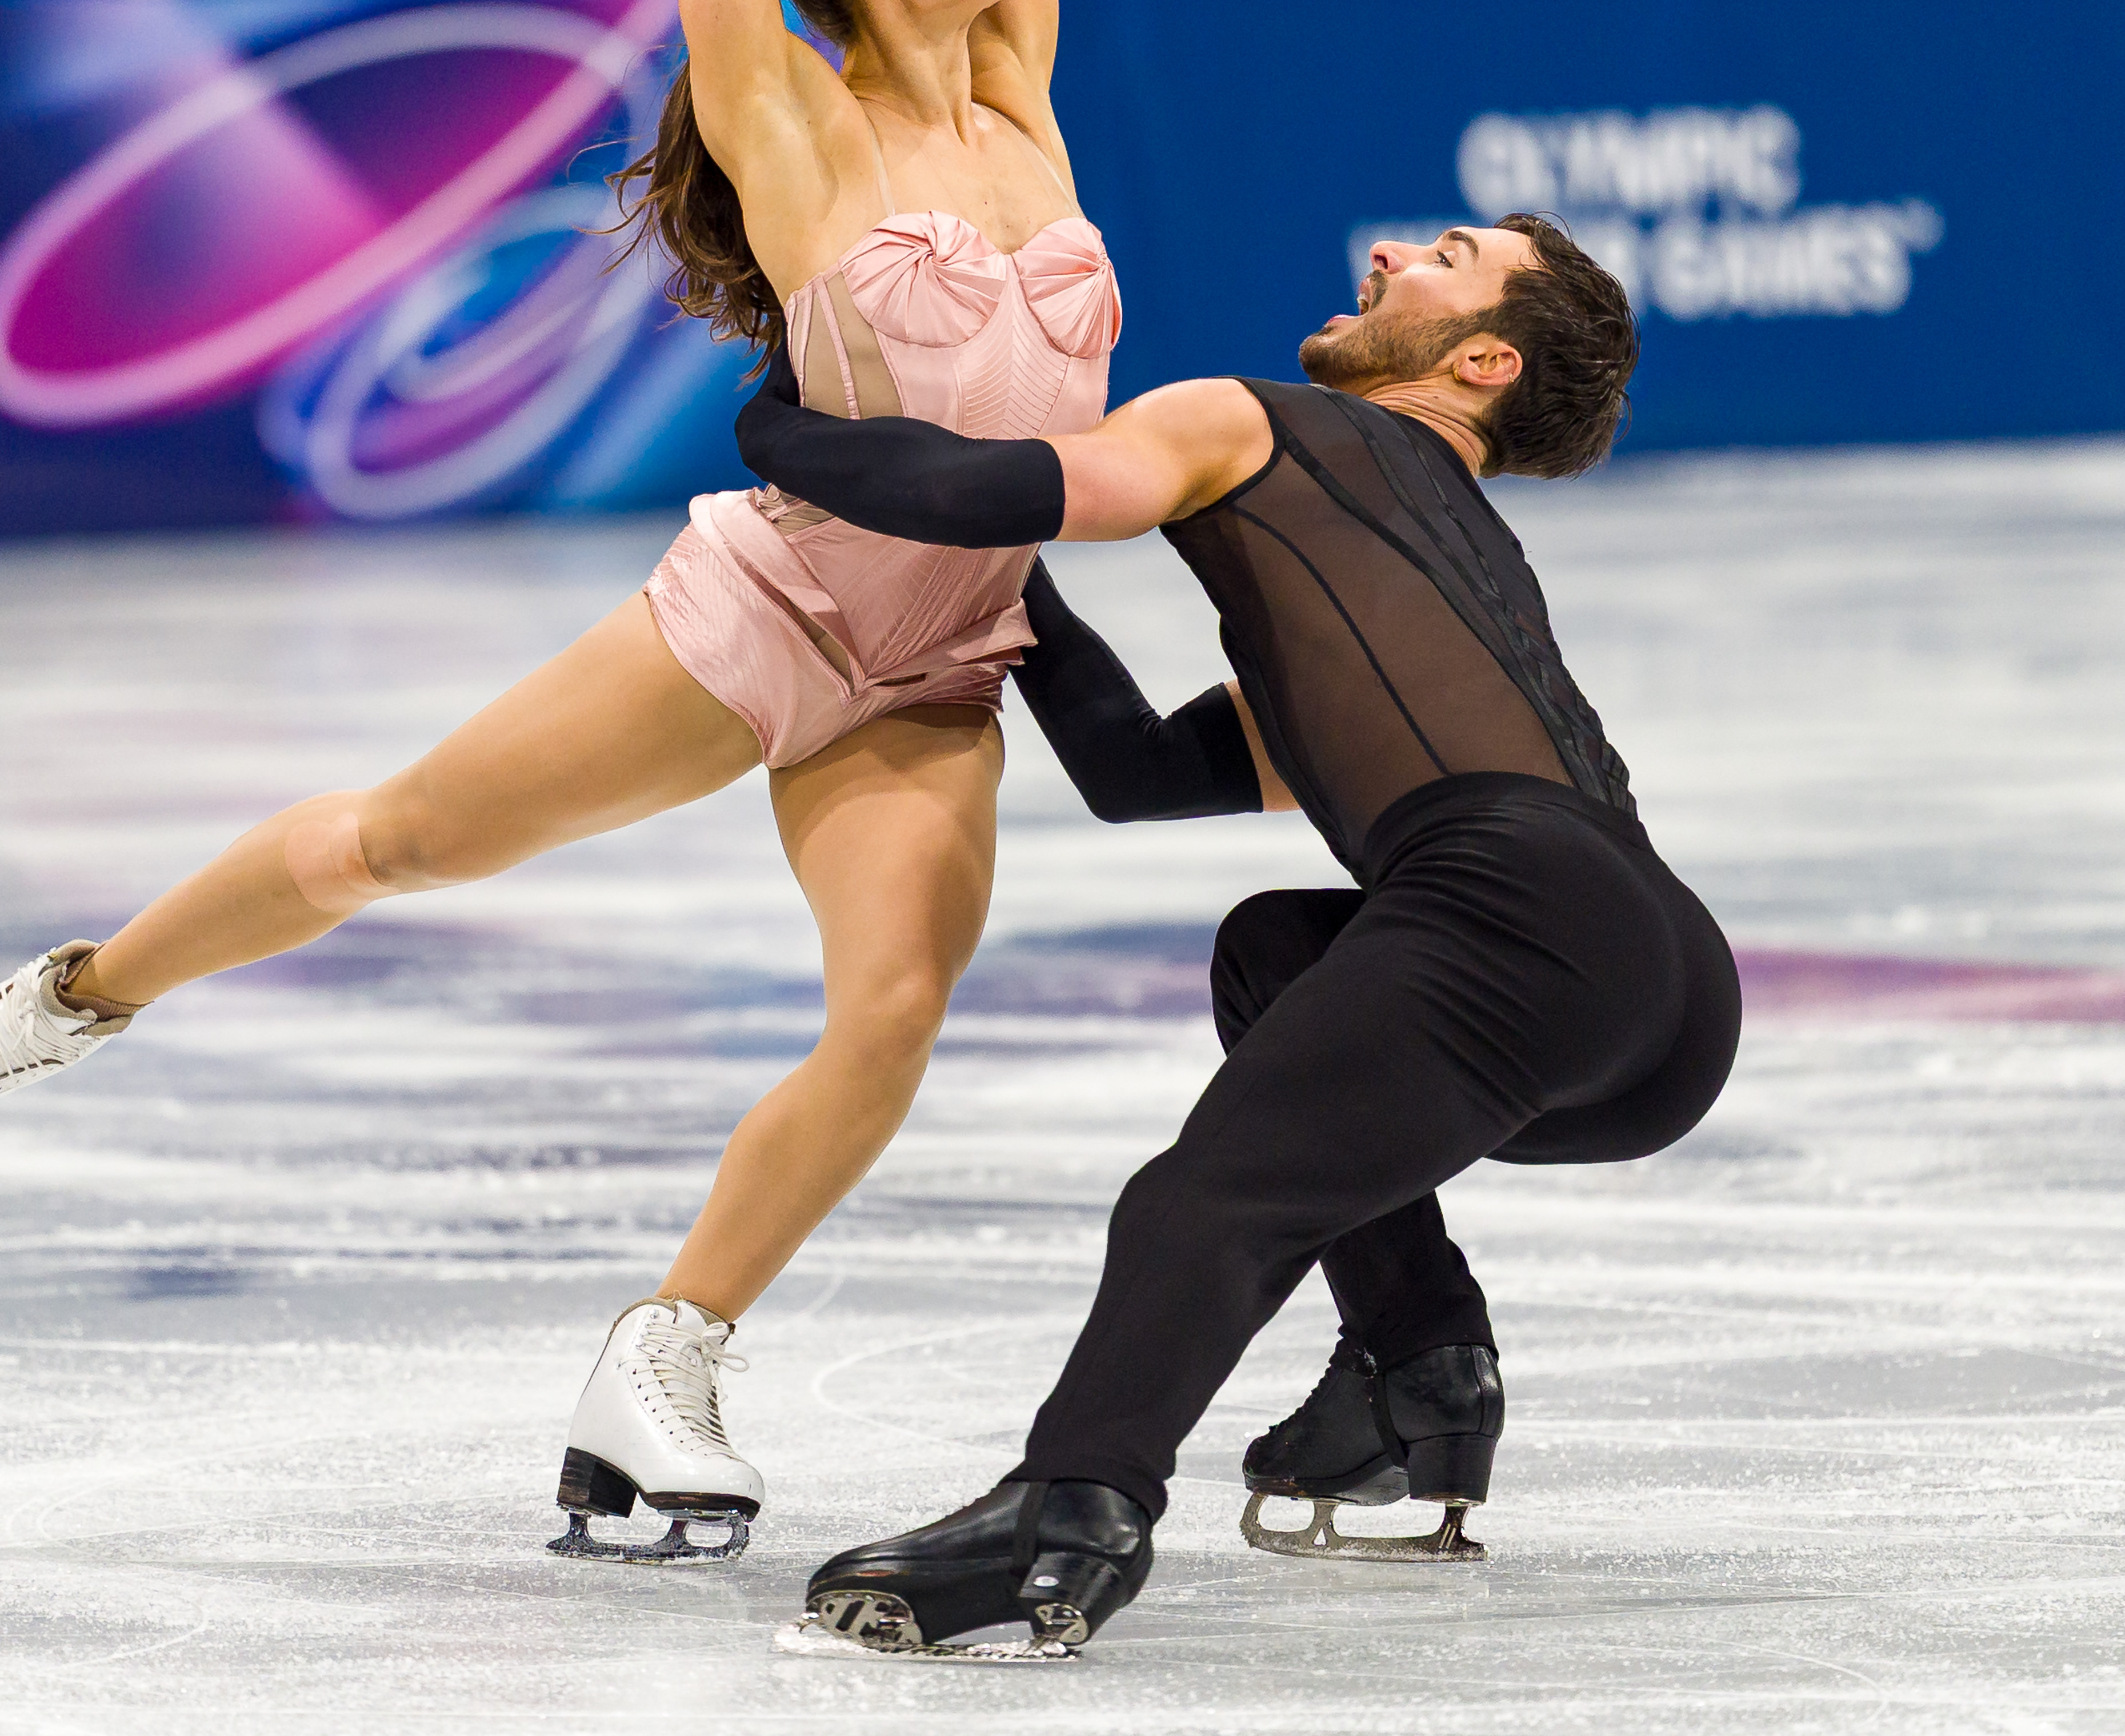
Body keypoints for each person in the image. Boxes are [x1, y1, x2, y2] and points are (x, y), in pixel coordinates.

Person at [0, 0, 1159, 1569]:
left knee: (887, 1013)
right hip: (776, 615)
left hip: (939, 664)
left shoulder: (1019, 93)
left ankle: (661, 1358)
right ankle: (84, 988)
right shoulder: (785, 112)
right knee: (397, 842)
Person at [733, 218, 1738, 1659]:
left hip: (1517, 915)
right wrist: (1017, 586)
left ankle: (1070, 1503)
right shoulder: (1441, 568)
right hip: (1662, 997)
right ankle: (1420, 1370)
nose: (1391, 245)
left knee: (1202, 1201)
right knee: (1277, 956)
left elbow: (977, 485)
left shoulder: (1259, 426)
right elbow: (1137, 769)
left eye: (1447, 253)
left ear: (1483, 357)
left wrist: (780, 421)